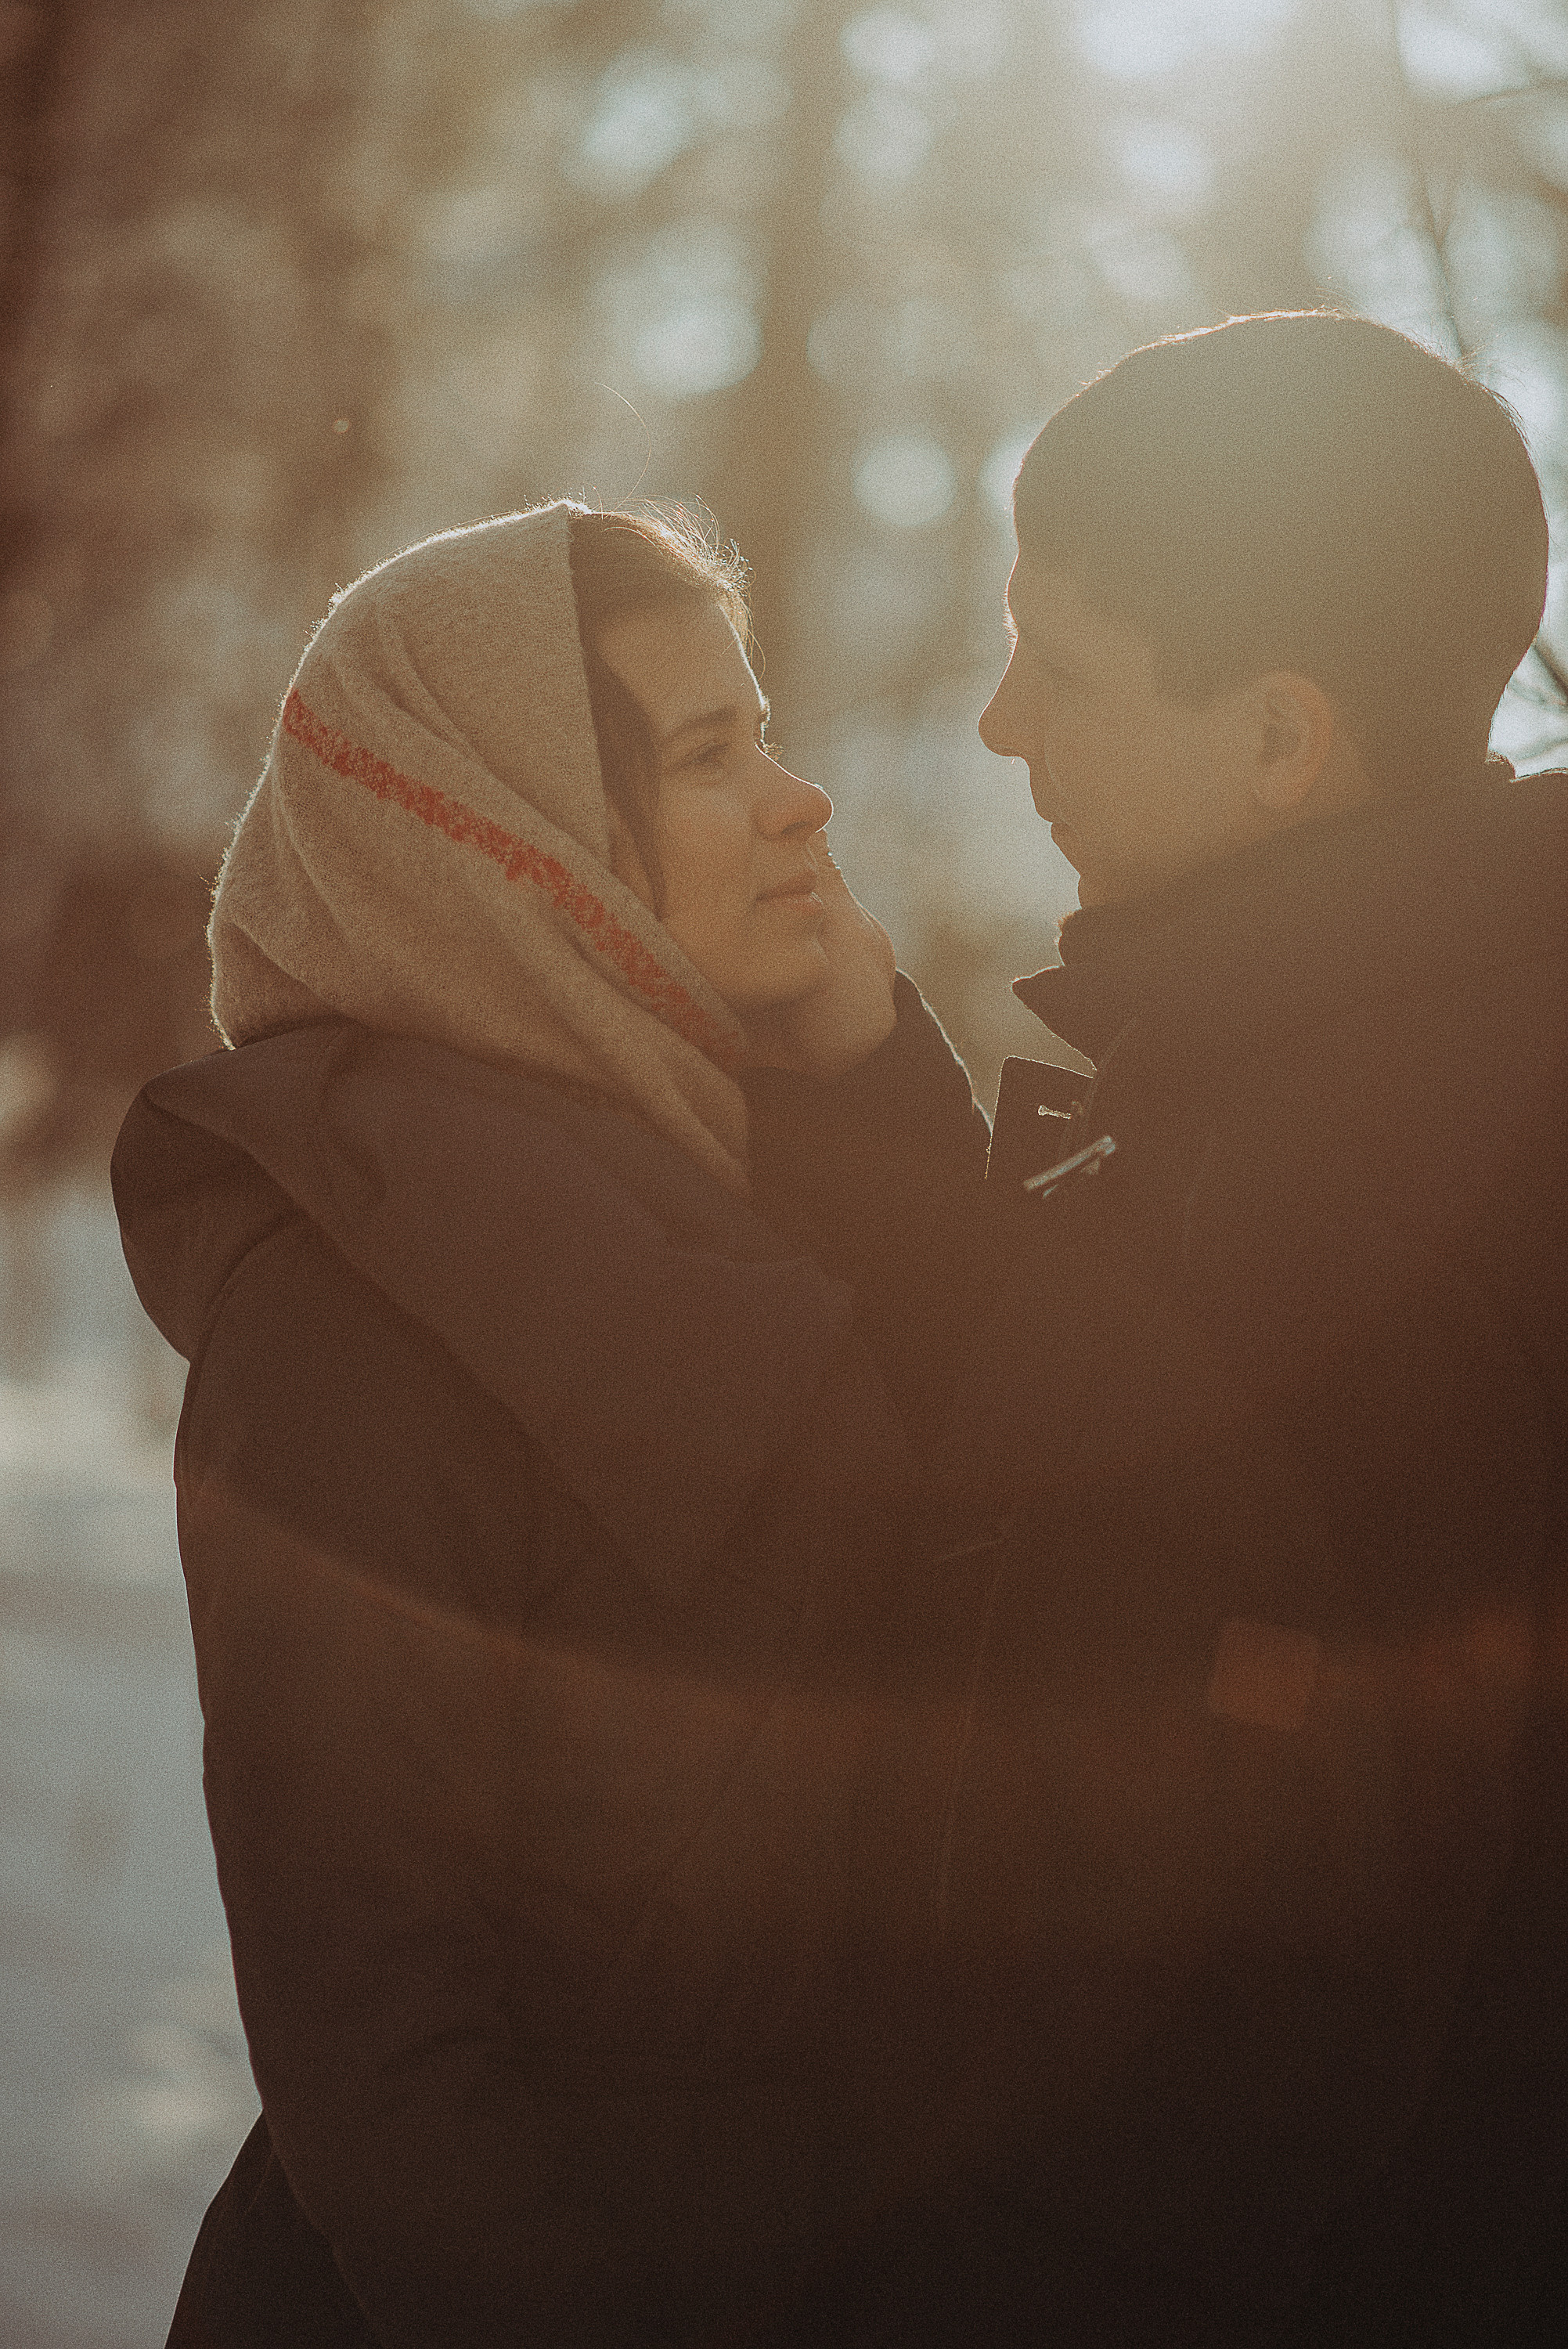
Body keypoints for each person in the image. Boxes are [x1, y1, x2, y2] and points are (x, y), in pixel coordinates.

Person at [745, 312, 1568, 2344]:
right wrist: (862, 1092)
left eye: (1068, 664)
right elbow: (1115, 1386)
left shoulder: (1348, 1242)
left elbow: (1199, 2060)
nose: (1004, 724)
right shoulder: (1418, 1062)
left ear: (1280, 739)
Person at [111, 501, 924, 2347]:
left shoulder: (714, 1177)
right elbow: (380, 2045)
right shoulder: (363, 1293)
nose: (802, 801)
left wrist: (877, 1096)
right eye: (714, 755)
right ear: (522, 844)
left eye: (765, 733)